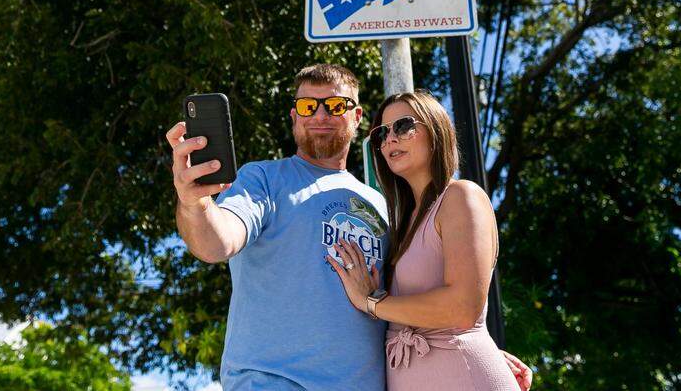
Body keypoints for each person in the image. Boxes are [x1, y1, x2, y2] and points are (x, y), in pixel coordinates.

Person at [166, 64, 390, 390]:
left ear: (356, 117)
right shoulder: (264, 179)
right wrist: (195, 204)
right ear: (294, 116)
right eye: (307, 106)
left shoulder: (382, 203)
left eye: (336, 105)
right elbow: (217, 242)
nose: (320, 115)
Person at [326, 90, 532, 391]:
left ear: (436, 131)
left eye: (403, 126)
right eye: (382, 133)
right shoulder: (401, 225)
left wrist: (371, 302)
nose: (390, 139)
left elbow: (462, 309)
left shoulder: (461, 196)